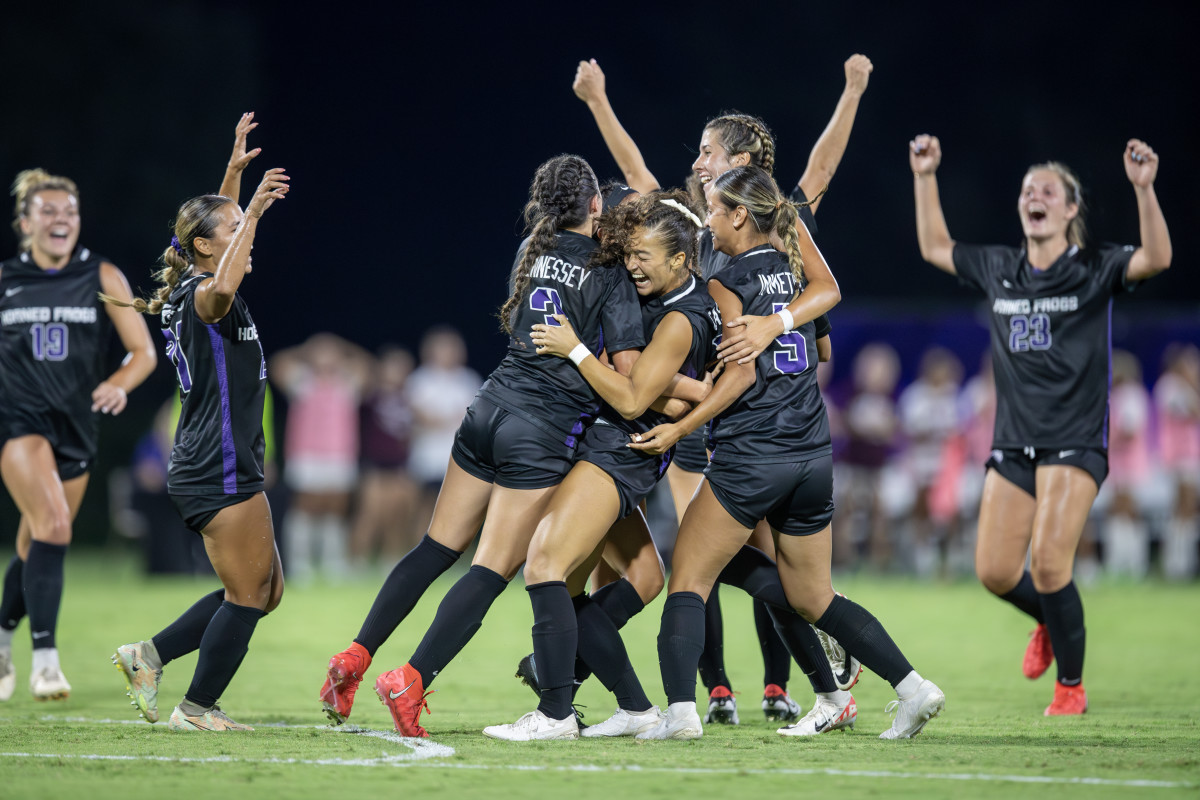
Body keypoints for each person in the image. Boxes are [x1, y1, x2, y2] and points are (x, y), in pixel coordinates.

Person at [572, 56, 866, 722]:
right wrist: (599, 102)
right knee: (716, 561)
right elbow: (644, 178)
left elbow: (818, 184)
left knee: (736, 563)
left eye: (708, 152)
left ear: (740, 161)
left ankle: (799, 681)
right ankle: (740, 687)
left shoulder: (763, 224)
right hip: (721, 411)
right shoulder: (701, 225)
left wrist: (850, 90)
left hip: (743, 411)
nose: (697, 162)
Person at [319, 154, 646, 737]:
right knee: (491, 570)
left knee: (434, 548)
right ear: (596, 206)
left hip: (486, 409)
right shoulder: (610, 271)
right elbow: (629, 383)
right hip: (540, 429)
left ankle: (355, 656)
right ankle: (413, 678)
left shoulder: (530, 251)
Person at [631, 166, 944, 740]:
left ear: (740, 216)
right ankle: (913, 688)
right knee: (812, 595)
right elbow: (820, 348)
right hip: (813, 454)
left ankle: (679, 715)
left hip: (753, 454)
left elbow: (740, 378)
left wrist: (680, 430)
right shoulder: (796, 272)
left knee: (688, 581)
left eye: (717, 212)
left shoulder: (723, 285)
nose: (710, 222)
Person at [910, 133, 1172, 715]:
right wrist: (926, 176)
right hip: (1014, 443)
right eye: (1029, 190)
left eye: (1048, 191)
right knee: (996, 572)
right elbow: (934, 246)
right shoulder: (1001, 267)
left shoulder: (1094, 267)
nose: (1036, 196)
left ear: (1070, 209)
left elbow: (1157, 259)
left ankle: (1070, 689)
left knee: (1051, 564)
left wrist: (1145, 189)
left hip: (1075, 441)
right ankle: (1052, 623)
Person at [482, 190, 719, 740]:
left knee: (544, 565)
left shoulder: (672, 316)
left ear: (679, 258)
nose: (630, 264)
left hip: (615, 448)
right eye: (627, 252)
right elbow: (673, 392)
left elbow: (635, 398)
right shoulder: (690, 300)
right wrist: (682, 400)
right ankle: (636, 708)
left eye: (642, 256)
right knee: (641, 576)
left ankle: (555, 714)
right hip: (632, 454)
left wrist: (575, 349)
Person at [110, 117, 291, 731]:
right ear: (208, 247)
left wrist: (233, 177)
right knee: (249, 594)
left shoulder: (198, 276)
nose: (243, 231)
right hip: (215, 462)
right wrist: (256, 216)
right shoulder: (205, 296)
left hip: (218, 457)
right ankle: (197, 708)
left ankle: (148, 656)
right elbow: (224, 275)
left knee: (266, 591)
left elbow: (214, 240)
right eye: (234, 228)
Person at [0, 166, 157, 702]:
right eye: (48, 211)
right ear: (25, 222)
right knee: (55, 526)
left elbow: (143, 352)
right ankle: (45, 662)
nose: (61, 220)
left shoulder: (102, 275)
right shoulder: (6, 281)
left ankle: (1, 638)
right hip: (19, 424)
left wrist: (118, 383)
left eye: (69, 212)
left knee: (34, 544)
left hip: (76, 428)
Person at [271, 332, 373, 582]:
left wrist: (342, 346)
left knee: (335, 510)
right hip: (306, 455)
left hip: (340, 455)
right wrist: (306, 349)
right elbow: (276, 364)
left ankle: (333, 563)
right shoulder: (302, 380)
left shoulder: (347, 383)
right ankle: (299, 565)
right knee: (305, 509)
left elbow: (369, 366)